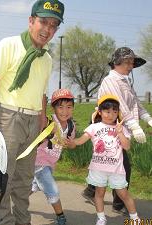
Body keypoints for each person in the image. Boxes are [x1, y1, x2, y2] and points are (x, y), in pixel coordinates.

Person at [0, 0, 65, 224]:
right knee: (3, 178)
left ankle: (22, 220)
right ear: (31, 21)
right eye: (43, 22)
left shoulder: (46, 58)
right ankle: (4, 220)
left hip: (32, 122)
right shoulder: (9, 45)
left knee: (25, 179)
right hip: (7, 117)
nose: (47, 29)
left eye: (54, 25)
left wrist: (42, 120)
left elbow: (42, 93)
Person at [82, 47, 152, 215]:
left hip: (117, 127)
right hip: (106, 128)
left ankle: (92, 190)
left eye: (132, 62)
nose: (130, 65)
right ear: (117, 63)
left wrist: (148, 119)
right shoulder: (110, 81)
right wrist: (135, 127)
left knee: (109, 161)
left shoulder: (125, 81)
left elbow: (135, 104)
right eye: (127, 62)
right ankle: (119, 203)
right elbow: (120, 105)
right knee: (123, 166)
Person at [68, 95, 140, 225]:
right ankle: (101, 218)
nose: (111, 115)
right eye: (107, 111)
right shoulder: (94, 127)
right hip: (98, 169)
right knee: (99, 193)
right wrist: (72, 142)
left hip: (116, 169)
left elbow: (127, 147)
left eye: (114, 111)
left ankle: (135, 218)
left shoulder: (121, 128)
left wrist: (120, 133)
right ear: (100, 112)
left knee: (124, 194)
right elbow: (81, 140)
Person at [31, 89, 76, 225]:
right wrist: (48, 129)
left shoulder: (71, 125)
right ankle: (61, 218)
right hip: (38, 162)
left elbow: (71, 144)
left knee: (32, 187)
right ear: (53, 107)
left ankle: (15, 201)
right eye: (60, 107)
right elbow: (39, 130)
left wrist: (71, 144)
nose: (65, 111)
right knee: (52, 189)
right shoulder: (49, 121)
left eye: (69, 107)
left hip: (51, 164)